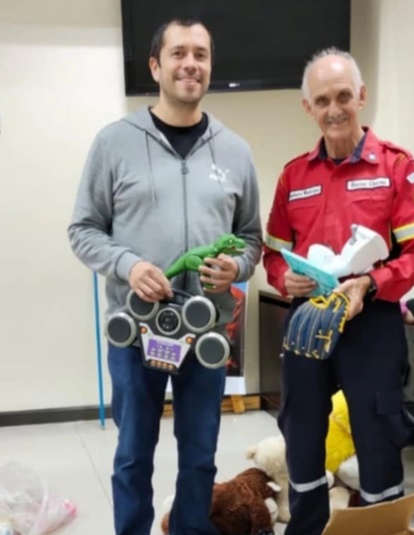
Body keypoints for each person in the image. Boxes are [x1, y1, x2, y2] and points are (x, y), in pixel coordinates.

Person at [67, 17, 263, 535]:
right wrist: (130, 265)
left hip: (206, 336)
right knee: (134, 454)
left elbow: (250, 238)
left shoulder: (236, 151)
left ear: (210, 66)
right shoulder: (114, 143)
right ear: (156, 65)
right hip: (135, 332)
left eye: (200, 54)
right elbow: (83, 230)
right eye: (178, 53)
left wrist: (236, 267)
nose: (190, 64)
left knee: (199, 456)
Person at [262, 47, 414, 535]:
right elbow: (273, 254)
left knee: (378, 435)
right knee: (300, 433)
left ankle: (380, 529)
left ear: (362, 96)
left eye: (343, 96)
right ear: (308, 108)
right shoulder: (293, 175)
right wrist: (283, 278)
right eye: (322, 100)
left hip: (372, 321)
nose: (334, 109)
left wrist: (372, 282)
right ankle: (307, 527)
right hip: (308, 320)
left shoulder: (398, 166)